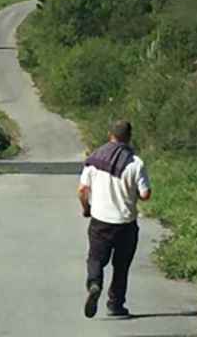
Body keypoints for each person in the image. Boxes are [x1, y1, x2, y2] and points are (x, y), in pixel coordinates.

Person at [77, 120, 151, 319]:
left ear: (110, 135)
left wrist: (87, 209)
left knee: (95, 258)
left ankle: (94, 284)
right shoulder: (136, 163)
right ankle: (115, 304)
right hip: (126, 223)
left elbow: (83, 190)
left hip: (100, 221)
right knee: (121, 266)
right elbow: (145, 195)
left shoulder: (94, 159)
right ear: (129, 136)